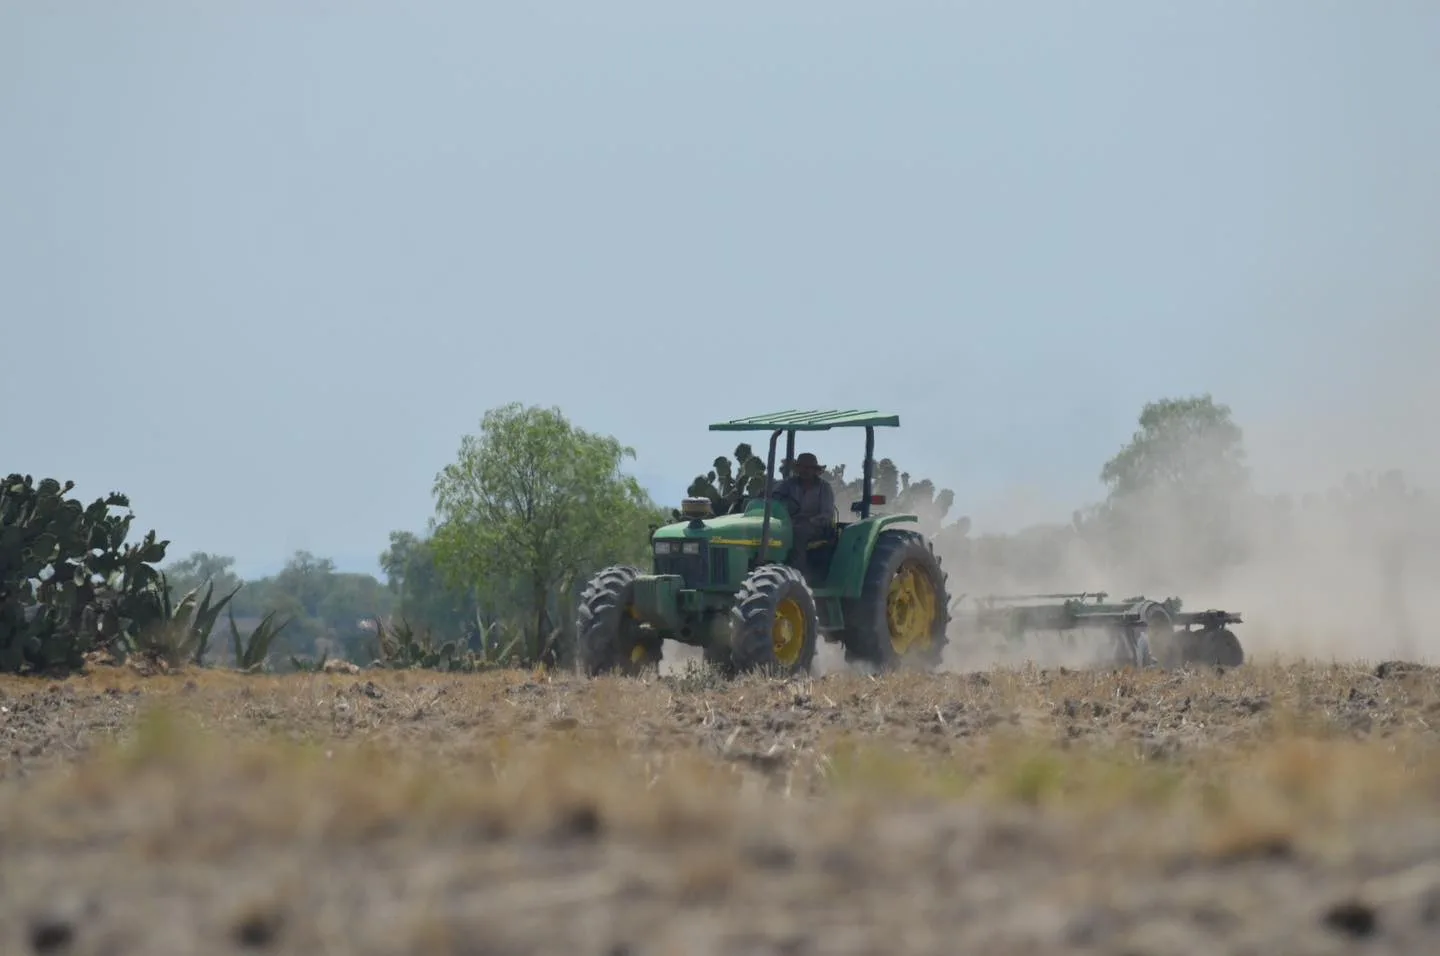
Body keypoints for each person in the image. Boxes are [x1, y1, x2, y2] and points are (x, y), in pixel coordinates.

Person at [769, 452, 836, 575]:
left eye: (808, 468)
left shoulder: (824, 487)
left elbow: (827, 514)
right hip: (787, 523)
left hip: (815, 526)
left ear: (815, 470)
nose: (805, 470)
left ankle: (798, 574)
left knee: (798, 533)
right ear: (797, 468)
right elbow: (773, 497)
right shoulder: (788, 484)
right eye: (802, 467)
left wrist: (810, 521)